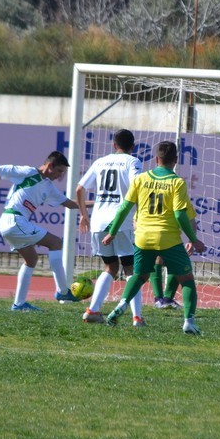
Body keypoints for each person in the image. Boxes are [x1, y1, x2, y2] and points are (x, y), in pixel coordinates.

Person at [102, 141, 206, 334]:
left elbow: (124, 208)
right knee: (187, 280)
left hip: (142, 237)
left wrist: (112, 232)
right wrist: (193, 239)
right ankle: (189, 322)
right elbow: (180, 214)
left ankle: (121, 306)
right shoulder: (177, 182)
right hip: (167, 238)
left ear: (156, 159)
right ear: (176, 160)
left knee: (139, 275)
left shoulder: (141, 179)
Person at [0, 151, 80, 311]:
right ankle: (62, 292)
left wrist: (98, 202)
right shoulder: (29, 173)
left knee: (31, 259)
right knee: (56, 243)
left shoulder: (48, 187)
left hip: (10, 223)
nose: (59, 176)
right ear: (50, 166)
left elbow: (71, 204)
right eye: (59, 171)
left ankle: (19, 304)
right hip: (14, 220)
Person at [75, 129, 145, 325]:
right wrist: (138, 215)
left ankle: (93, 310)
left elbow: (79, 189)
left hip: (98, 221)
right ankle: (137, 317)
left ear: (114, 145)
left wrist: (83, 215)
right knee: (131, 269)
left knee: (110, 267)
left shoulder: (100, 162)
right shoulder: (133, 162)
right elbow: (137, 186)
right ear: (133, 147)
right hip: (121, 222)